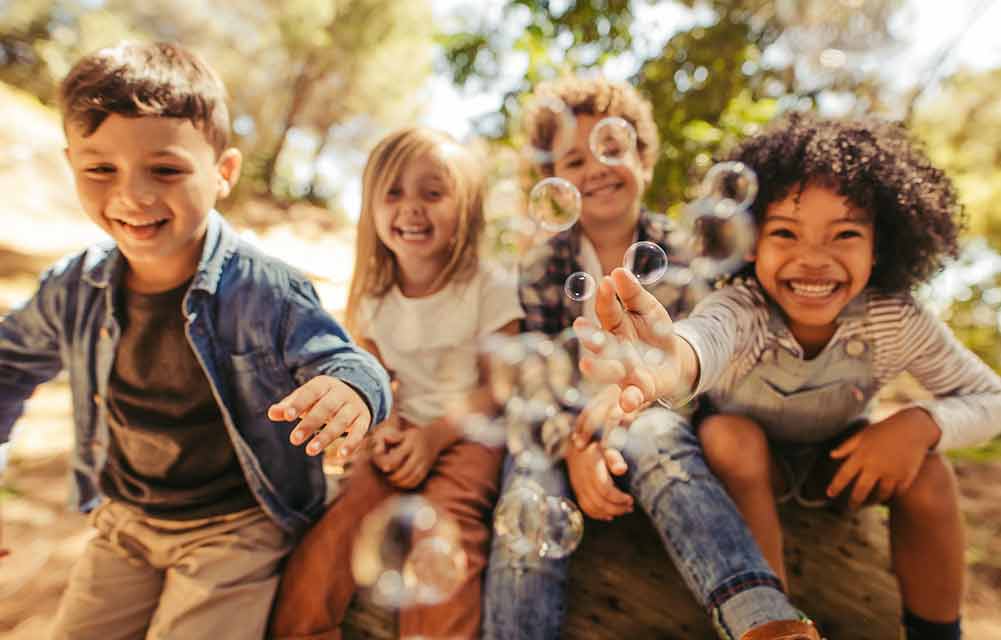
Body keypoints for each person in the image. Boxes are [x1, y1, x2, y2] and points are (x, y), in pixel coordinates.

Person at [0, 41, 391, 640]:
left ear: (223, 173)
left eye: (166, 169)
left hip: (235, 528)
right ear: (71, 163)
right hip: (126, 522)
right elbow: (7, 365)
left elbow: (347, 362)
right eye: (100, 169)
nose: (132, 195)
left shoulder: (267, 289)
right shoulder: (74, 287)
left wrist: (351, 393)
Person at [579, 112, 1001, 640]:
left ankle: (938, 632)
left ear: (882, 246)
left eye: (844, 234)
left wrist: (919, 424)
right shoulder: (743, 307)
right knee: (731, 435)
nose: (813, 260)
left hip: (838, 463)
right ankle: (771, 622)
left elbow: (991, 398)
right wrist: (667, 358)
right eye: (785, 233)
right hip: (751, 465)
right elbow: (702, 342)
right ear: (749, 241)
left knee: (931, 471)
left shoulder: (893, 319)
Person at [482, 76, 820, 640]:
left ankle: (766, 623)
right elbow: (534, 377)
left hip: (652, 414)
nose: (594, 168)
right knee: (529, 489)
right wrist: (575, 445)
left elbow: (696, 371)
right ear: (552, 183)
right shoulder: (543, 266)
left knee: (659, 440)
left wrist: (621, 413)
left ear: (642, 157)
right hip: (559, 429)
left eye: (611, 149)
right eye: (573, 158)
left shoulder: (682, 251)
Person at [269, 127, 523, 639]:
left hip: (471, 433)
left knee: (450, 528)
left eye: (433, 193)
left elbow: (500, 387)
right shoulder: (373, 298)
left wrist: (432, 439)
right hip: (401, 429)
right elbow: (376, 377)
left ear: (467, 208)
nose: (411, 208)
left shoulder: (489, 285)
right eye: (393, 193)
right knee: (342, 522)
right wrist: (385, 427)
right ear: (372, 208)